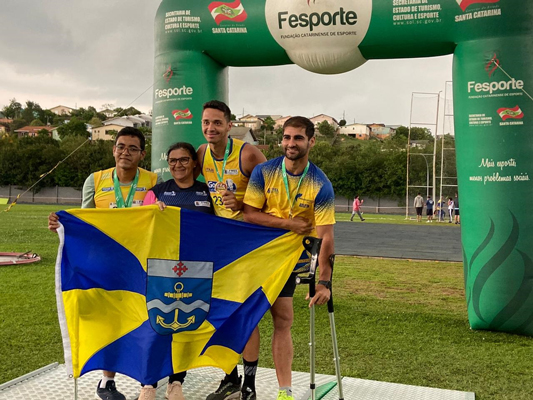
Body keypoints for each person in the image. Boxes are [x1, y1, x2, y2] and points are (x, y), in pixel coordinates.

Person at [48, 127, 159, 400]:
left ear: (142, 154)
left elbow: (162, 219)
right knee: (109, 322)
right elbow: (83, 221)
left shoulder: (154, 180)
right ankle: (107, 382)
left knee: (146, 319)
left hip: (141, 264)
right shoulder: (95, 180)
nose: (125, 152)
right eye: (121, 146)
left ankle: (147, 382)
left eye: (133, 148)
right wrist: (62, 225)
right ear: (113, 150)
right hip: (105, 264)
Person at [243, 116, 335, 400]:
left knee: (283, 320)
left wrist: (325, 282)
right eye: (286, 137)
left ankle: (285, 391)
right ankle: (248, 385)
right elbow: (250, 214)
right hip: (259, 255)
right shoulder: (264, 171)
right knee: (249, 318)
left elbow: (326, 236)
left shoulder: (320, 183)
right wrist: (289, 224)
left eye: (298, 138)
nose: (291, 143)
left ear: (311, 141)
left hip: (289, 261)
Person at [197, 100, 267, 400]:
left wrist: (243, 203)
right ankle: (230, 378)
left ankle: (249, 385)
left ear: (229, 125)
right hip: (219, 245)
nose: (210, 127)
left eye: (217, 122)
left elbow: (274, 192)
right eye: (206, 122)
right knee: (219, 312)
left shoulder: (248, 154)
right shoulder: (201, 153)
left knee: (245, 314)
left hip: (248, 243)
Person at [139, 142, 214, 400]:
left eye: (183, 160)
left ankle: (176, 382)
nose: (177, 165)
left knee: (185, 326)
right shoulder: (157, 192)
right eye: (172, 160)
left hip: (196, 271)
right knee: (156, 325)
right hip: (161, 271)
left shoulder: (207, 192)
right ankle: (148, 384)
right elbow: (139, 224)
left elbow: (225, 225)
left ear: (194, 163)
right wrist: (151, 212)